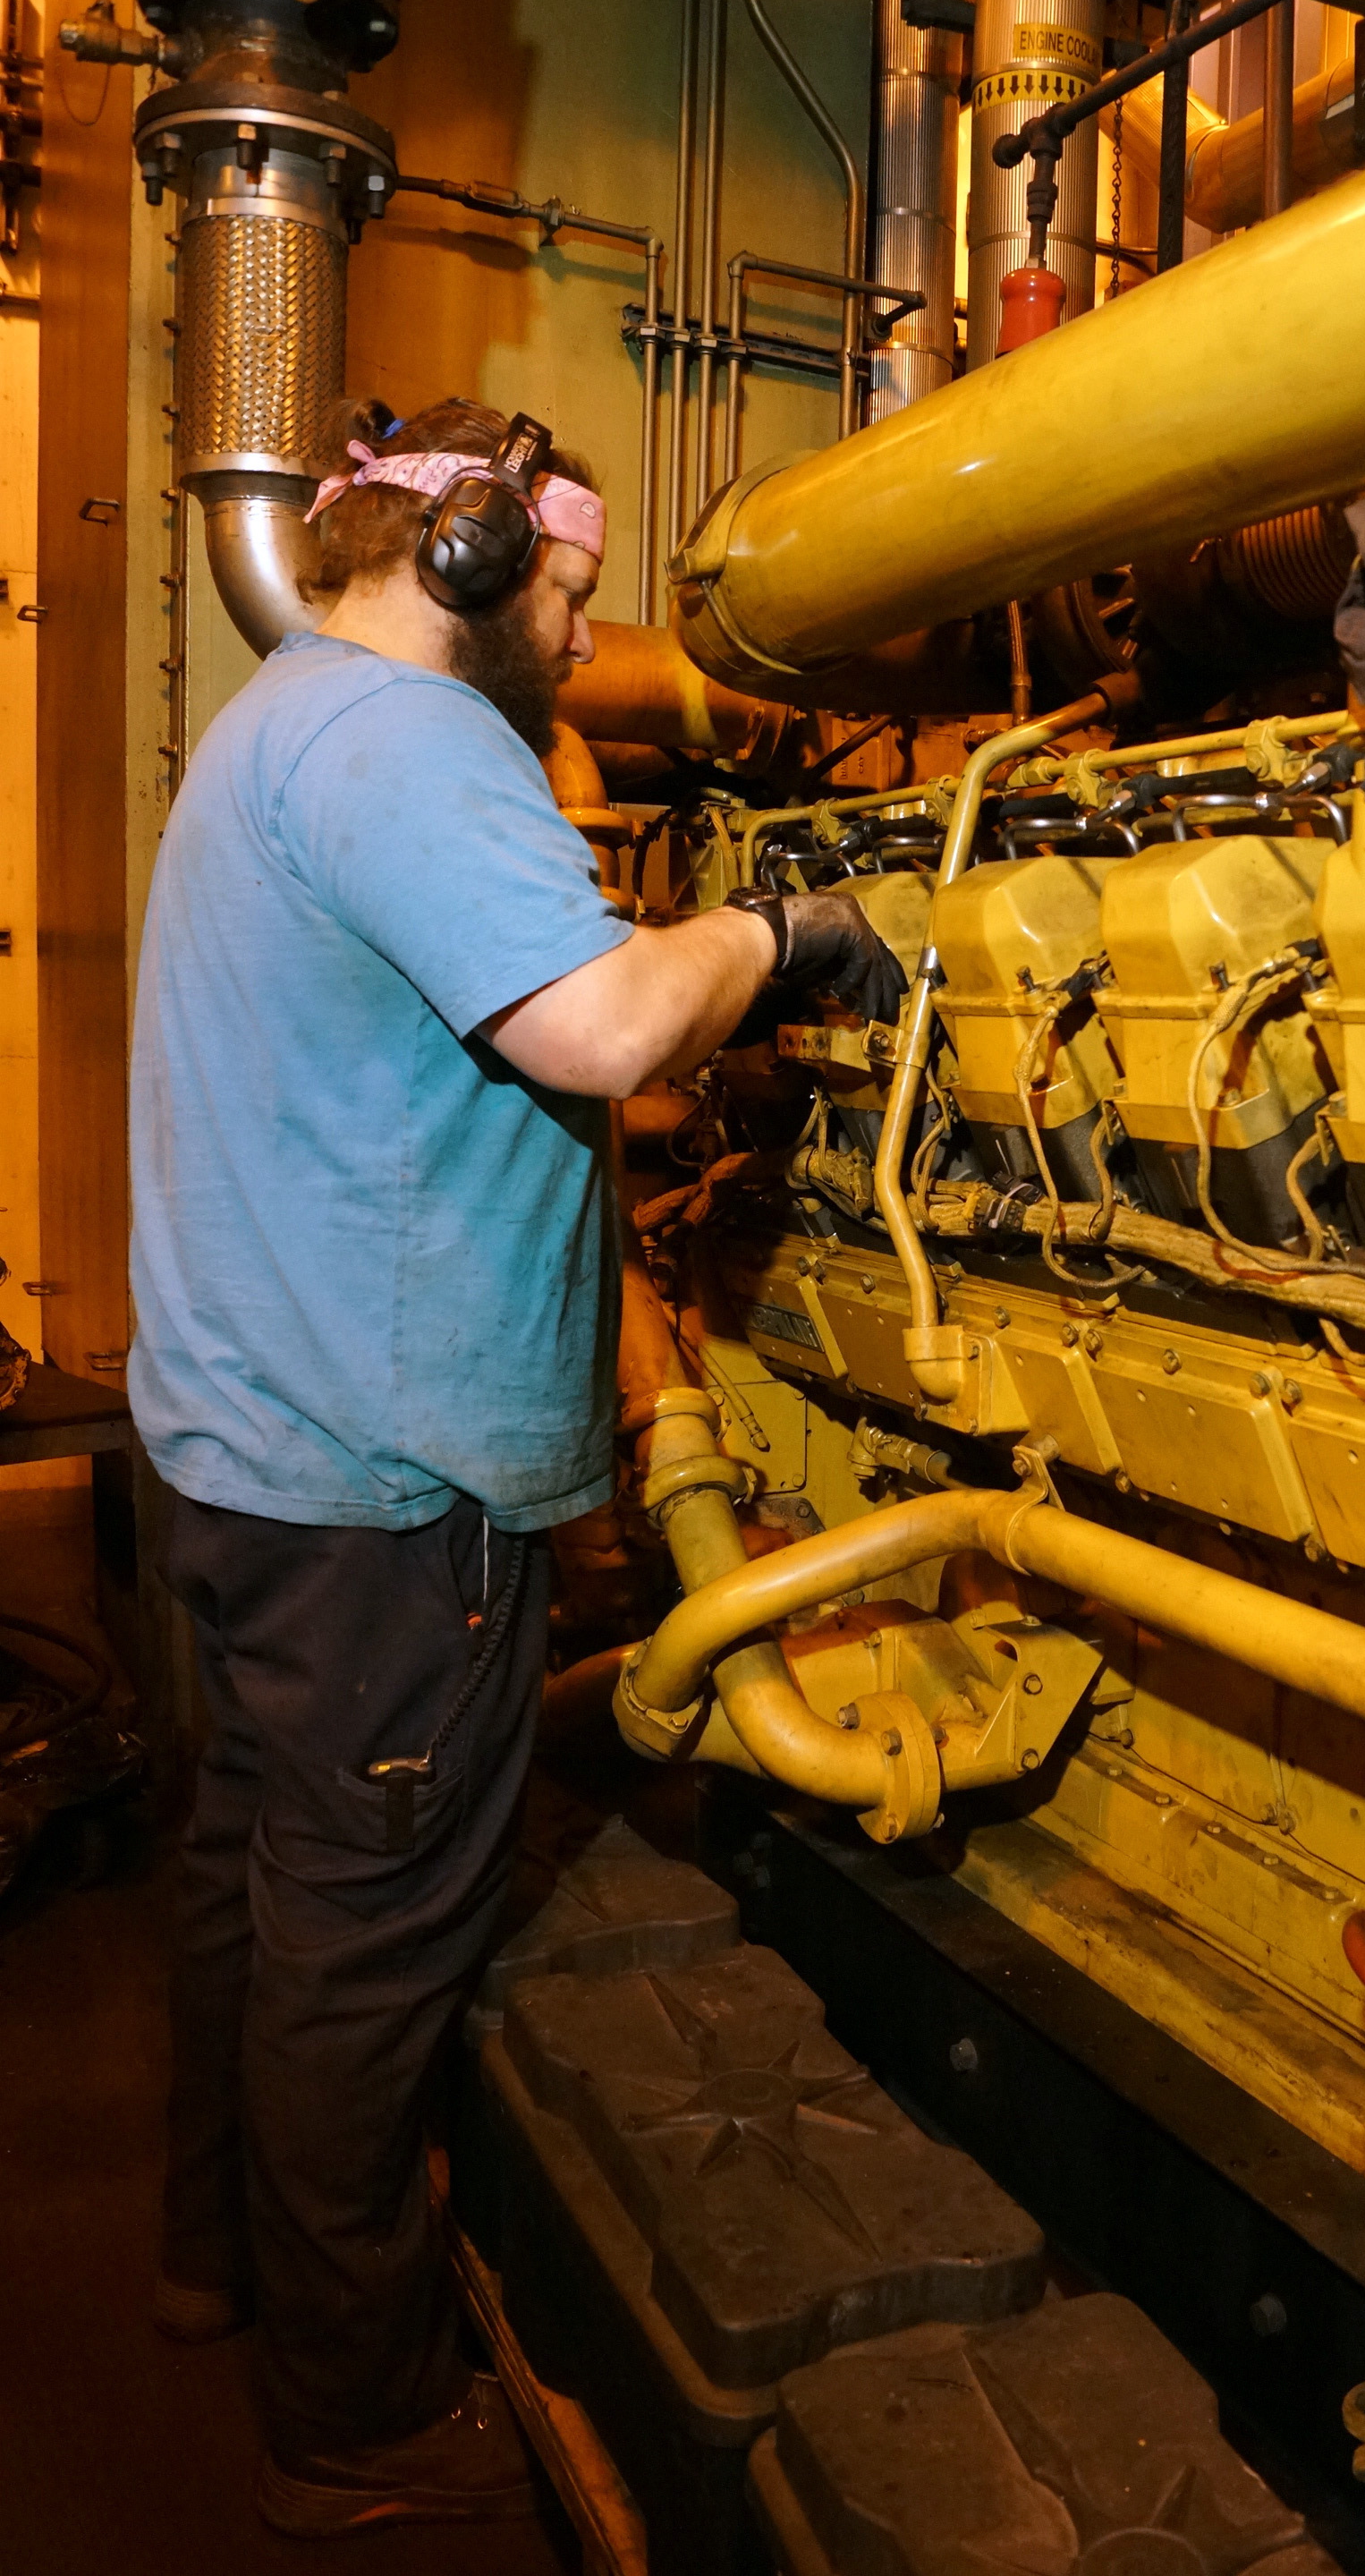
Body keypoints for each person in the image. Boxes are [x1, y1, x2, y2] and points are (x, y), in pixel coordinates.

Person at [127, 395, 901, 2536]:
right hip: (379, 1488)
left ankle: (221, 2263)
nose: (581, 640)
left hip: (237, 1447)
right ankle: (355, 2411)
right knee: (367, 1954)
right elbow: (598, 1030)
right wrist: (785, 939)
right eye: (568, 592)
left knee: (258, 1894)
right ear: (466, 560)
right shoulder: (414, 741)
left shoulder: (274, 724)